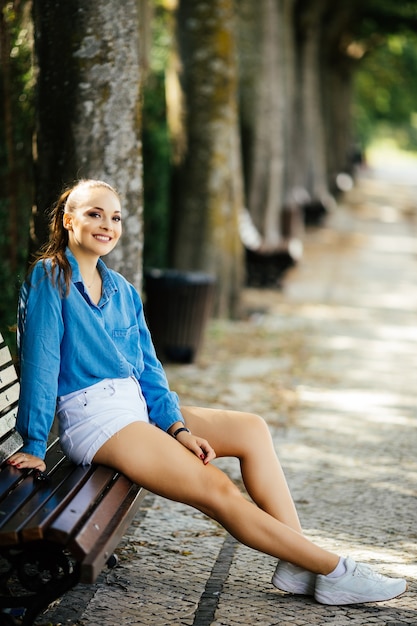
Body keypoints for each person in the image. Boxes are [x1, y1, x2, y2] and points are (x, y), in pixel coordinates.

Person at [8, 179, 407, 606]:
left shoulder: (122, 290)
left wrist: (177, 428)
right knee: (217, 489)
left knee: (251, 429)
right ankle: (333, 569)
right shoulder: (52, 276)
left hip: (134, 407)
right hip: (97, 419)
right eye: (94, 214)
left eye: (115, 217)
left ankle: (297, 560)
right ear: (68, 220)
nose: (107, 224)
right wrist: (34, 441)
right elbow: (42, 361)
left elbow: (149, 371)